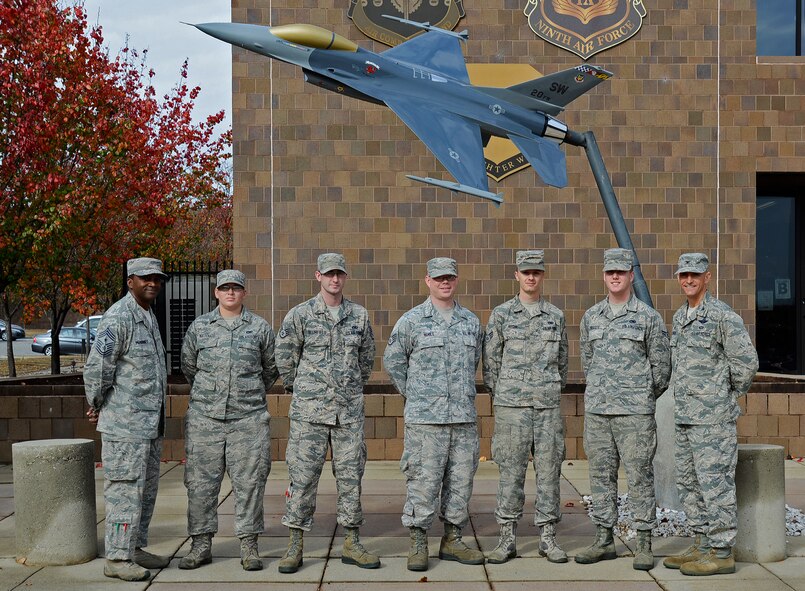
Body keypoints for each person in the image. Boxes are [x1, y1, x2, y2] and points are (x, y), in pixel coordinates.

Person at [274, 253, 378, 573]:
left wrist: (348, 390)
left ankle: (351, 541)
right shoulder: (301, 315)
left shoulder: (358, 316)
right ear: (318, 276)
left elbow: (367, 359)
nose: (335, 279)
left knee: (350, 479)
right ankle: (295, 544)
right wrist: (304, 390)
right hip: (309, 414)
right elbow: (285, 358)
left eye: (340, 274)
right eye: (329, 274)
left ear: (345, 277)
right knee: (302, 478)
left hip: (347, 414)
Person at [384, 257, 485, 572]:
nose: (445, 283)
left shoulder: (471, 322)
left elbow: (476, 363)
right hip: (425, 420)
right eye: (439, 278)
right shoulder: (412, 321)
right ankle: (418, 542)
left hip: (463, 419)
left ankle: (453, 539)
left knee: (460, 481)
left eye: (450, 278)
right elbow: (394, 362)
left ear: (456, 280)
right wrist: (417, 395)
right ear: (427, 280)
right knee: (423, 482)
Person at [663, 253, 758, 576]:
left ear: (708, 277)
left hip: (713, 420)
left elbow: (746, 362)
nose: (688, 280)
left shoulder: (722, 316)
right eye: (683, 275)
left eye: (695, 275)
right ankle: (702, 543)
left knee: (715, 484)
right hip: (686, 417)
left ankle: (721, 551)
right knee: (690, 484)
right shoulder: (680, 316)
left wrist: (723, 395)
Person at [576, 248, 670, 571]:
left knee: (640, 476)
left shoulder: (648, 318)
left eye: (621, 271)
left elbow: (661, 369)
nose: (615, 276)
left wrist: (640, 395)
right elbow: (588, 362)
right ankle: (604, 539)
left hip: (635, 415)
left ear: (631, 275)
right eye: (609, 272)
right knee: (600, 476)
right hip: (600, 413)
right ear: (604, 276)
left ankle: (643, 542)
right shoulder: (591, 318)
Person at [178, 269, 279, 571]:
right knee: (200, 485)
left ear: (245, 292)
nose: (231, 293)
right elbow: (189, 367)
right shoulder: (200, 328)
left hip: (248, 420)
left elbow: (271, 369)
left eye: (236, 288)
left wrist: (245, 394)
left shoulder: (260, 328)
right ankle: (201, 544)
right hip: (205, 420)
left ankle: (249, 545)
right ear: (216, 293)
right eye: (225, 288)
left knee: (250, 484)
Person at [84, 257, 171, 582]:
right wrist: (96, 403)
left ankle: (133, 547)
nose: (152, 283)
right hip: (125, 427)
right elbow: (97, 368)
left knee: (145, 490)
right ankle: (118, 557)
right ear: (130, 281)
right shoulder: (118, 317)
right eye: (145, 278)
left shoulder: (147, 315)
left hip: (148, 425)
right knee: (124, 490)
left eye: (157, 279)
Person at [482, 250, 569, 564]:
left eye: (536, 272)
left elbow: (563, 362)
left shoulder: (556, 316)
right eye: (526, 272)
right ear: (516, 275)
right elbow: (490, 364)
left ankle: (548, 539)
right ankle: (507, 540)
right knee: (510, 475)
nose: (531, 277)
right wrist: (507, 393)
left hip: (546, 410)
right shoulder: (501, 315)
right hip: (512, 410)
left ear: (543, 275)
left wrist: (545, 390)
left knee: (549, 474)